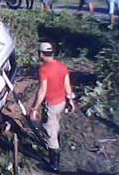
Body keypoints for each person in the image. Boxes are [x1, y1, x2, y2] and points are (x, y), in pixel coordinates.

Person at [29, 42, 75, 173]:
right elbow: (67, 86)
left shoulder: (43, 69)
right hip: (61, 103)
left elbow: (42, 91)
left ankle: (54, 165)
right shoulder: (62, 66)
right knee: (55, 125)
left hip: (51, 105)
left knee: (50, 132)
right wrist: (70, 100)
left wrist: (34, 108)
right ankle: (56, 145)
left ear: (41, 54)